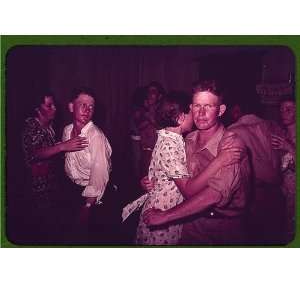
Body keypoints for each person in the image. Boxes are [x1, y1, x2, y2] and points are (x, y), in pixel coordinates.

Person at [124, 90, 243, 245]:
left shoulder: (229, 142)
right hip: (164, 215)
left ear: (220, 110)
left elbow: (214, 194)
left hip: (215, 226)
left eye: (208, 106)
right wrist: (219, 161)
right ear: (181, 117)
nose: (199, 114)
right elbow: (188, 189)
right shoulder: (179, 142)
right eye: (195, 107)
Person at [22, 92, 88, 243]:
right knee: (43, 228)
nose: (55, 108)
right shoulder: (31, 126)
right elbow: (34, 154)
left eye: (54, 104)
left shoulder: (49, 125)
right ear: (37, 109)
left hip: (52, 183)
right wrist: (62, 147)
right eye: (48, 105)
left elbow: (50, 149)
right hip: (37, 187)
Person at [227, 97, 284, 244]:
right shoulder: (272, 125)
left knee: (255, 239)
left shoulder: (233, 131)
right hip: (277, 193)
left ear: (236, 111)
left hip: (254, 195)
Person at [62, 87, 113, 243]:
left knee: (88, 237)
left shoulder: (96, 136)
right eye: (83, 104)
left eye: (91, 106)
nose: (87, 109)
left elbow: (99, 176)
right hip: (70, 189)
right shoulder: (67, 130)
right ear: (71, 107)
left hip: (91, 195)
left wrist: (87, 207)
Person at [271, 95, 296, 243]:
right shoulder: (281, 133)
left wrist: (289, 147)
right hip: (282, 190)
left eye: (289, 109)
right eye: (282, 110)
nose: (284, 113)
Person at [139, 81, 165, 176]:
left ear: (159, 96)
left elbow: (162, 130)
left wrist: (151, 118)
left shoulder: (162, 111)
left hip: (157, 153)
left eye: (153, 92)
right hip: (145, 151)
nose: (150, 94)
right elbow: (139, 127)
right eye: (148, 92)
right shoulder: (144, 110)